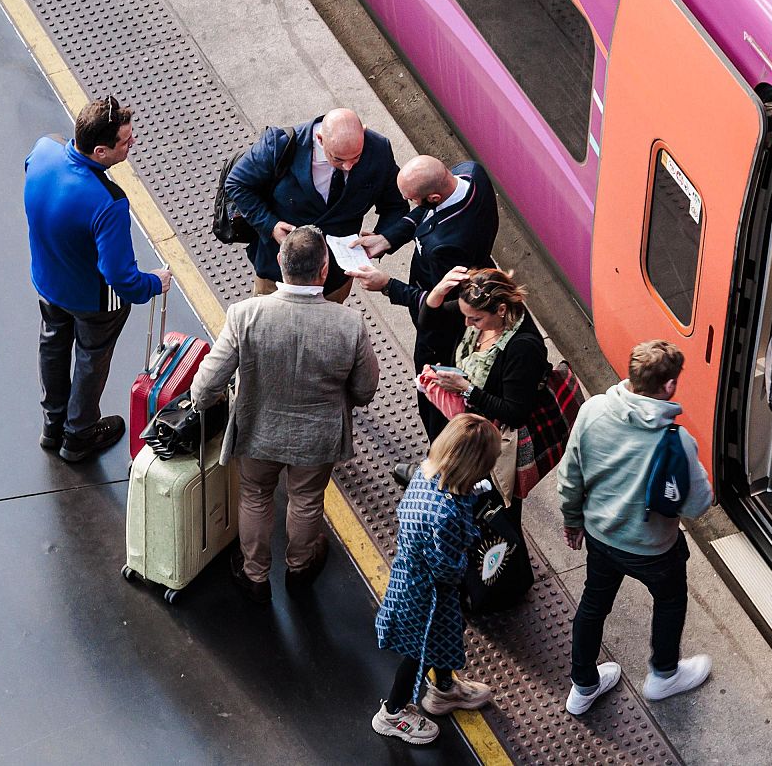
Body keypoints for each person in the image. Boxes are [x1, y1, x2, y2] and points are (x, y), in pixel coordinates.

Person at [190, 226, 378, 601]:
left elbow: (207, 383)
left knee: (255, 495)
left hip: (258, 429)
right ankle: (299, 567)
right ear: (325, 270)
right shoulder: (349, 324)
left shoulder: (245, 314)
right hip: (318, 437)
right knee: (306, 500)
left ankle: (255, 575)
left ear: (280, 262)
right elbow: (364, 389)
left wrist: (201, 404)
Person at [557, 340, 715, 715]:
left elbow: (570, 475)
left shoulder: (593, 410)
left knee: (593, 605)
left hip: (600, 537)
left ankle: (583, 686)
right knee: (671, 600)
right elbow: (697, 504)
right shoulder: (677, 442)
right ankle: (663, 675)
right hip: (654, 549)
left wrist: (572, 519)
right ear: (670, 386)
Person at [25, 96, 171, 463]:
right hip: (93, 299)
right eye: (125, 141)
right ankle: (79, 434)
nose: (132, 142)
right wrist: (154, 283)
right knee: (91, 356)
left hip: (47, 280)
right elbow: (120, 278)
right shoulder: (108, 202)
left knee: (53, 343)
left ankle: (52, 424)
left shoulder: (44, 150)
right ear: (101, 151)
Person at [347, 156, 499, 438]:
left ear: (434, 196)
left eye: (413, 200)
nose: (412, 205)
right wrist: (387, 238)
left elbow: (439, 304)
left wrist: (387, 285)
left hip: (441, 328)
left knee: (433, 391)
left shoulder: (446, 246)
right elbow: (425, 213)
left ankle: (440, 449)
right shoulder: (470, 173)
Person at [372, 413, 499, 745]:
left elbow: (456, 493)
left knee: (444, 635)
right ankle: (393, 712)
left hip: (413, 581)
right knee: (419, 651)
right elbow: (446, 568)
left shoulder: (426, 475)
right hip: (426, 594)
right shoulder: (446, 513)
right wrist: (467, 562)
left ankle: (443, 689)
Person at [223, 108, 413, 302]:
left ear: (363, 132)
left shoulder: (378, 151)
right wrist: (269, 224)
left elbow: (396, 205)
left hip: (334, 279)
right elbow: (237, 183)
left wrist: (383, 237)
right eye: (338, 158)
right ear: (320, 139)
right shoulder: (281, 145)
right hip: (277, 273)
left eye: (356, 158)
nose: (348, 166)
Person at [412, 268, 550, 502]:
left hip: (482, 442)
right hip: (458, 420)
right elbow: (429, 321)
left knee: (474, 497)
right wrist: (438, 291)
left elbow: (514, 413)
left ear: (502, 310)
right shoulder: (477, 308)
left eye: (475, 319)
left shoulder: (523, 349)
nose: (466, 323)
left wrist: (466, 389)